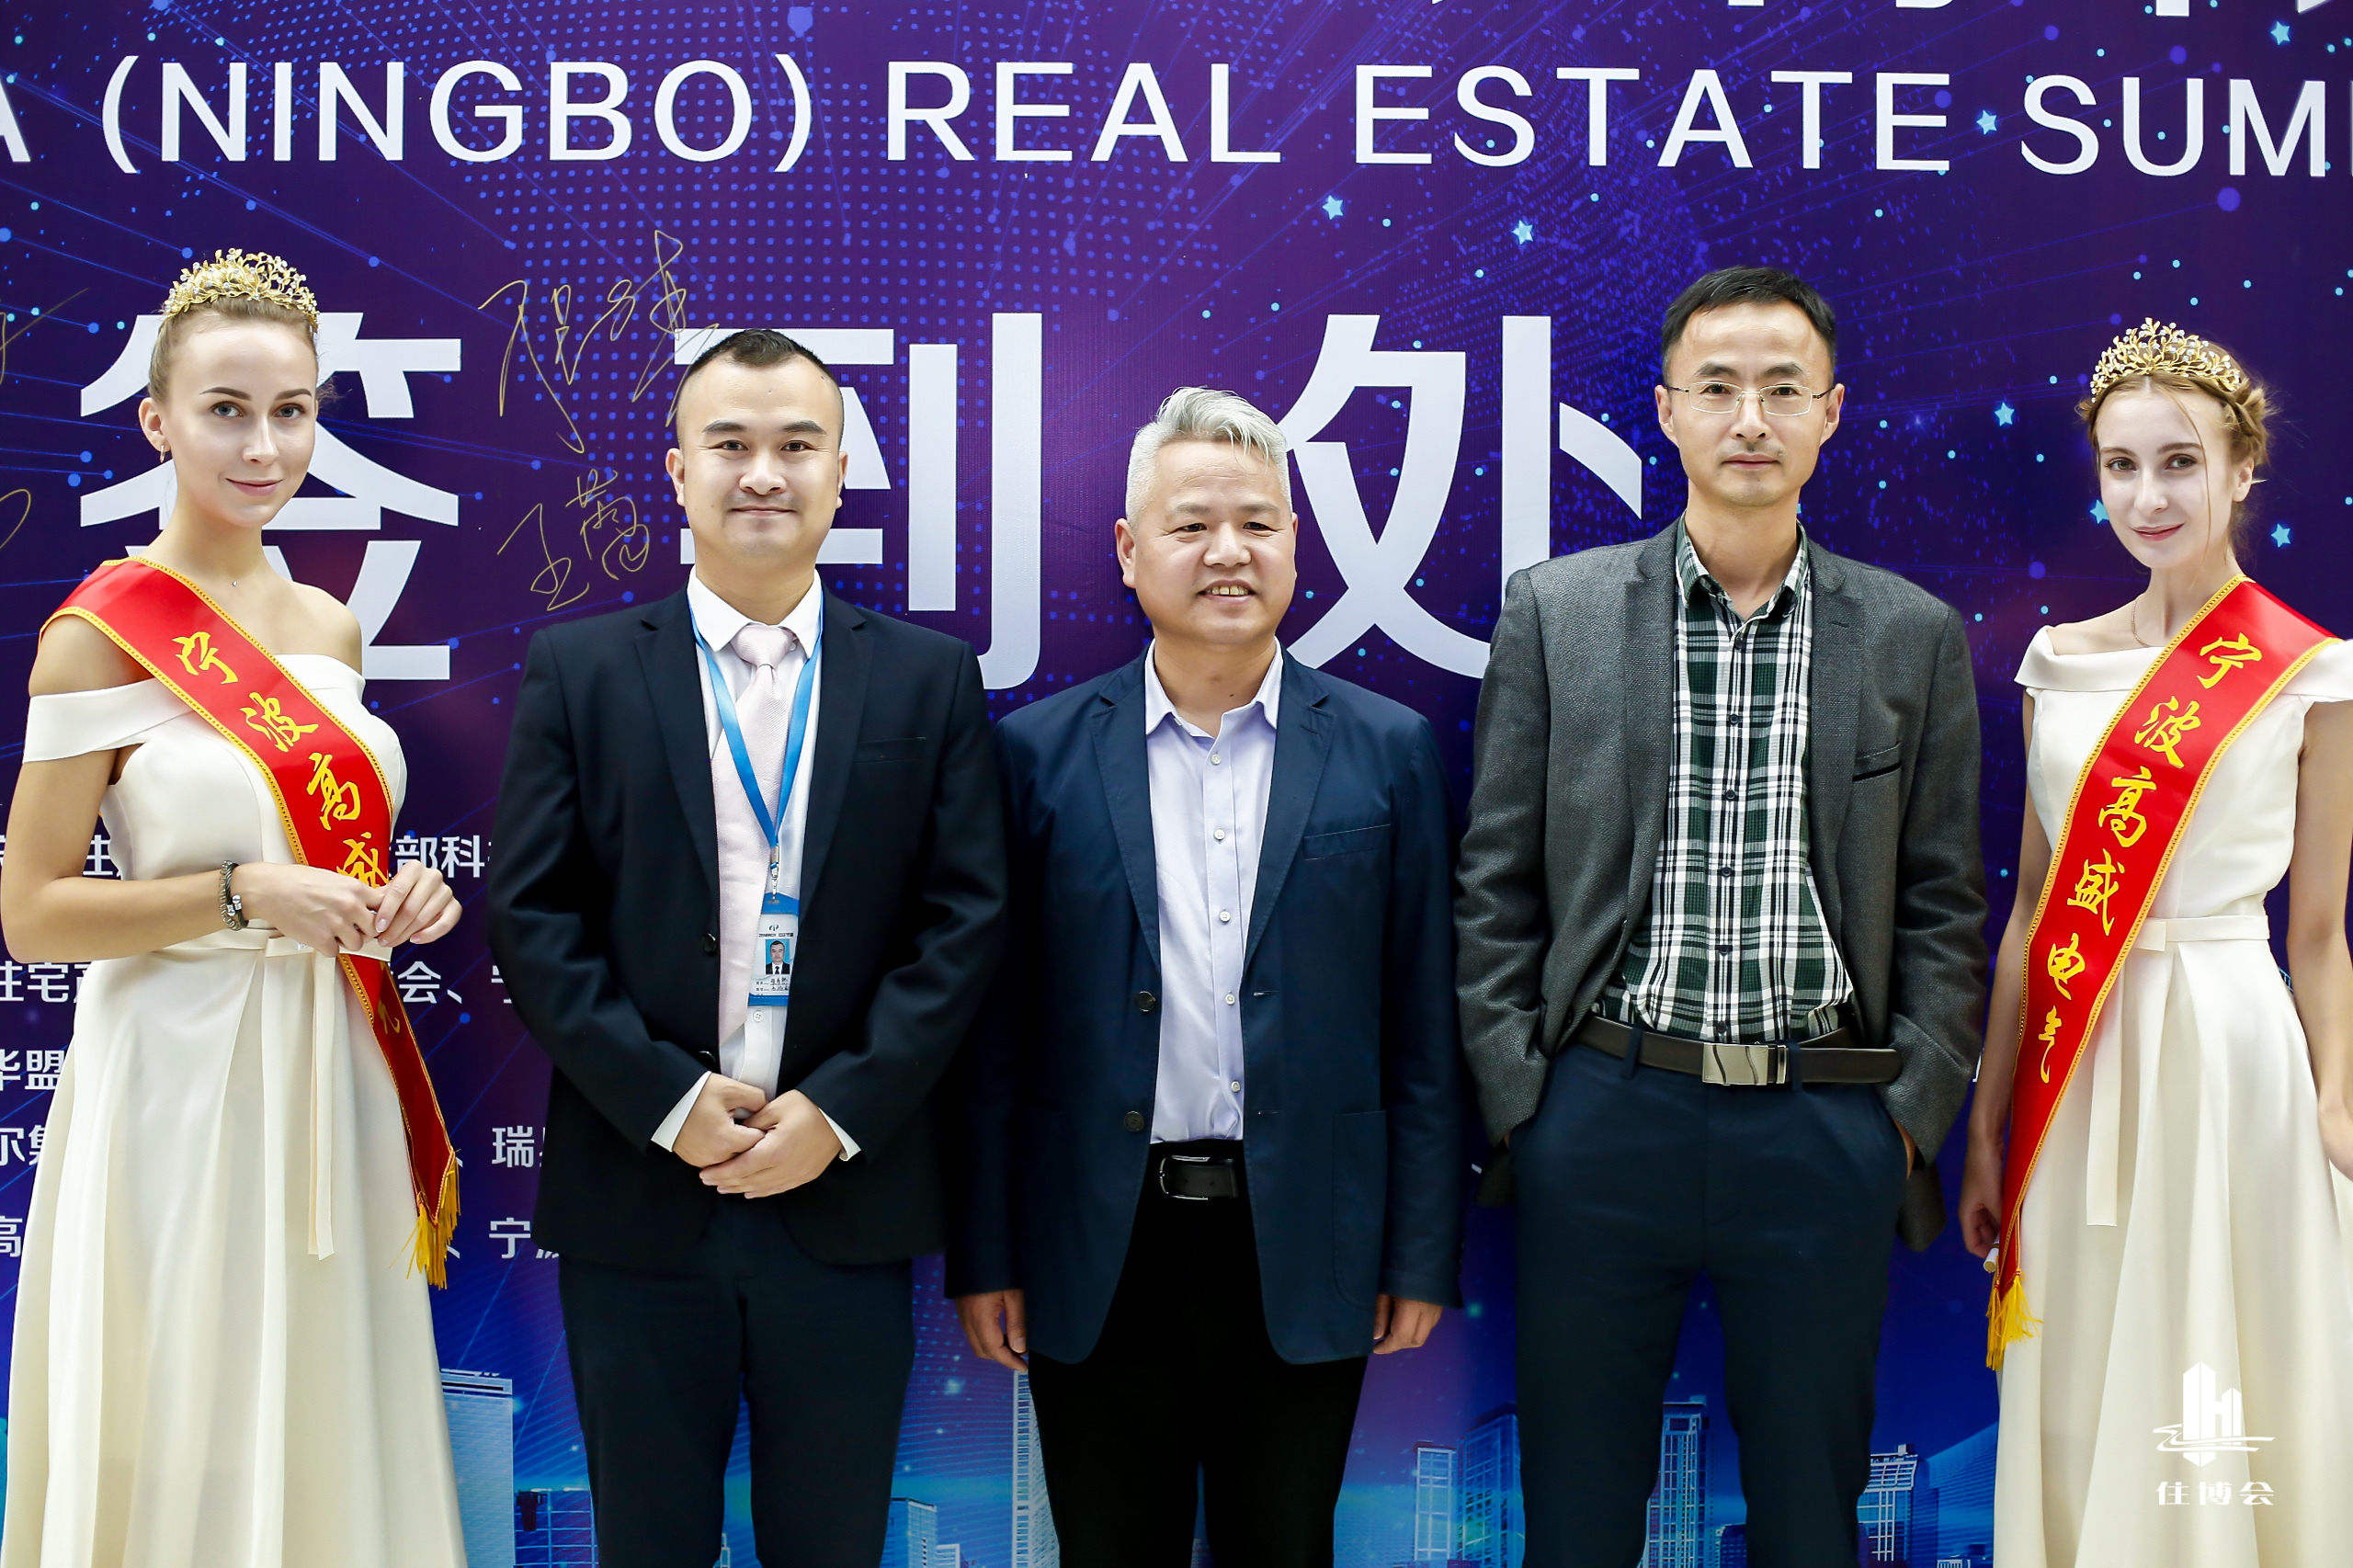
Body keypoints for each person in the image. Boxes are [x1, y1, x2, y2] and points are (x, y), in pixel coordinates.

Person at [1454, 267, 1987, 1565]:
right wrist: (1527, 1101)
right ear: (1667, 411)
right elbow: (1495, 877)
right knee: (1577, 1512)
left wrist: (1902, 1119)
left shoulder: (1909, 633)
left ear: (1830, 413)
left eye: (1783, 389)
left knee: (1809, 1512)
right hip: (1604, 1109)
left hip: (1822, 1121)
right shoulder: (1557, 611)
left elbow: (1942, 898)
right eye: (1718, 388)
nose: (1751, 417)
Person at [485, 328, 1006, 1566]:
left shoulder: (928, 678)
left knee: (831, 1542)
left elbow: (964, 920)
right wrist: (669, 1102)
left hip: (843, 1199)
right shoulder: (582, 669)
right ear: (678, 471)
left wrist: (839, 1109)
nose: (762, 473)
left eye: (795, 445)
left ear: (839, 473)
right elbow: (534, 915)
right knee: (647, 1543)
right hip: (638, 1198)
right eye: (729, 444)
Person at [0, 251, 466, 1566]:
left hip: (332, 1059)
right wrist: (239, 892)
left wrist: (399, 896)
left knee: (323, 1410)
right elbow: (31, 912)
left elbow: (329, 848)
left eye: (292, 411)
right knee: (184, 1402)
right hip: (177, 1073)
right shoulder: (100, 632)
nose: (264, 447)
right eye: (226, 411)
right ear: (157, 421)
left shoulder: (329, 626)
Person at [949, 388, 1464, 1565]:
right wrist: (987, 1250)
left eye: (1257, 523)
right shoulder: (1034, 754)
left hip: (1308, 1232)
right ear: (1130, 550)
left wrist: (1416, 1250)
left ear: (1296, 544)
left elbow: (1421, 1024)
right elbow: (993, 1033)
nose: (1228, 551)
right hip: (1096, 1234)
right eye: (1191, 525)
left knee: (1284, 1545)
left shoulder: (1385, 748)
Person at [1959, 320, 2353, 1566]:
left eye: (2180, 463)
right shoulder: (2055, 663)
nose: (2149, 497)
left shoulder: (2309, 672)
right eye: (2121, 467)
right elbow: (2032, 912)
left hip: (2232, 1053)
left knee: (2226, 1355)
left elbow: (2321, 933)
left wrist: (2337, 1104)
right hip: (2077, 1059)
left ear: (2242, 467)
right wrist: (1988, 1124)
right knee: (2080, 1362)